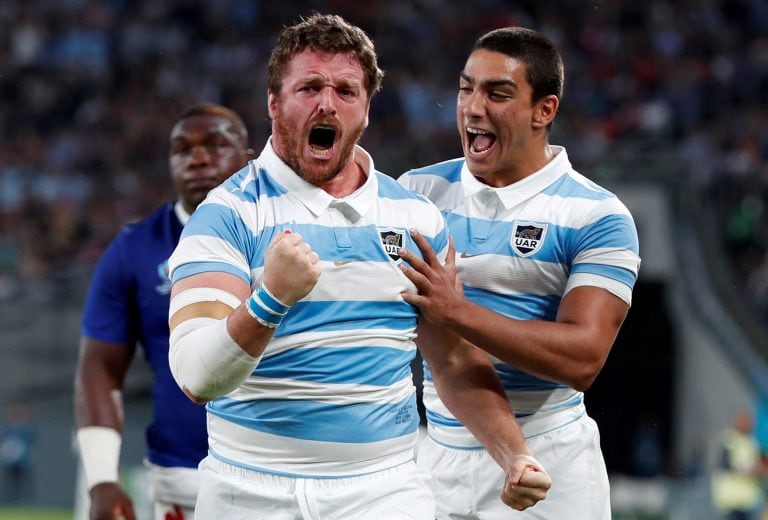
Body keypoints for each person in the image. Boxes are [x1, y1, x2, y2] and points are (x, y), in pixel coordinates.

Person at [166, 13, 550, 519]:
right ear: (274, 103)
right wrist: (270, 299)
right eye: (309, 87)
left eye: (346, 91)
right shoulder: (226, 215)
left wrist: (513, 453)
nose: (327, 102)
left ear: (366, 109)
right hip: (250, 489)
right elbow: (196, 375)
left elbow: (454, 361)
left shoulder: (416, 218)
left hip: (382, 491)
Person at [397, 26, 641, 519]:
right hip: (435, 456)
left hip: (549, 462)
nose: (473, 107)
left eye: (498, 93)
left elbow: (583, 359)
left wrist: (459, 312)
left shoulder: (597, 216)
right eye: (467, 88)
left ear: (544, 110)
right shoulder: (417, 193)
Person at [73, 102, 254, 520]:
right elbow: (100, 366)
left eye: (215, 144)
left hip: (285, 471)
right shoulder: (134, 248)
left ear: (248, 158)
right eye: (181, 149)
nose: (197, 158)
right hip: (182, 479)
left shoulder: (288, 231)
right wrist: (101, 478)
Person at [711, 408, 766, 520]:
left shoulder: (752, 442)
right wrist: (747, 469)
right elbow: (724, 464)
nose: (747, 423)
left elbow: (762, 464)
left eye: (748, 420)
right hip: (730, 500)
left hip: (749, 500)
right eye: (743, 420)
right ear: (735, 421)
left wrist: (760, 469)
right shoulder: (728, 440)